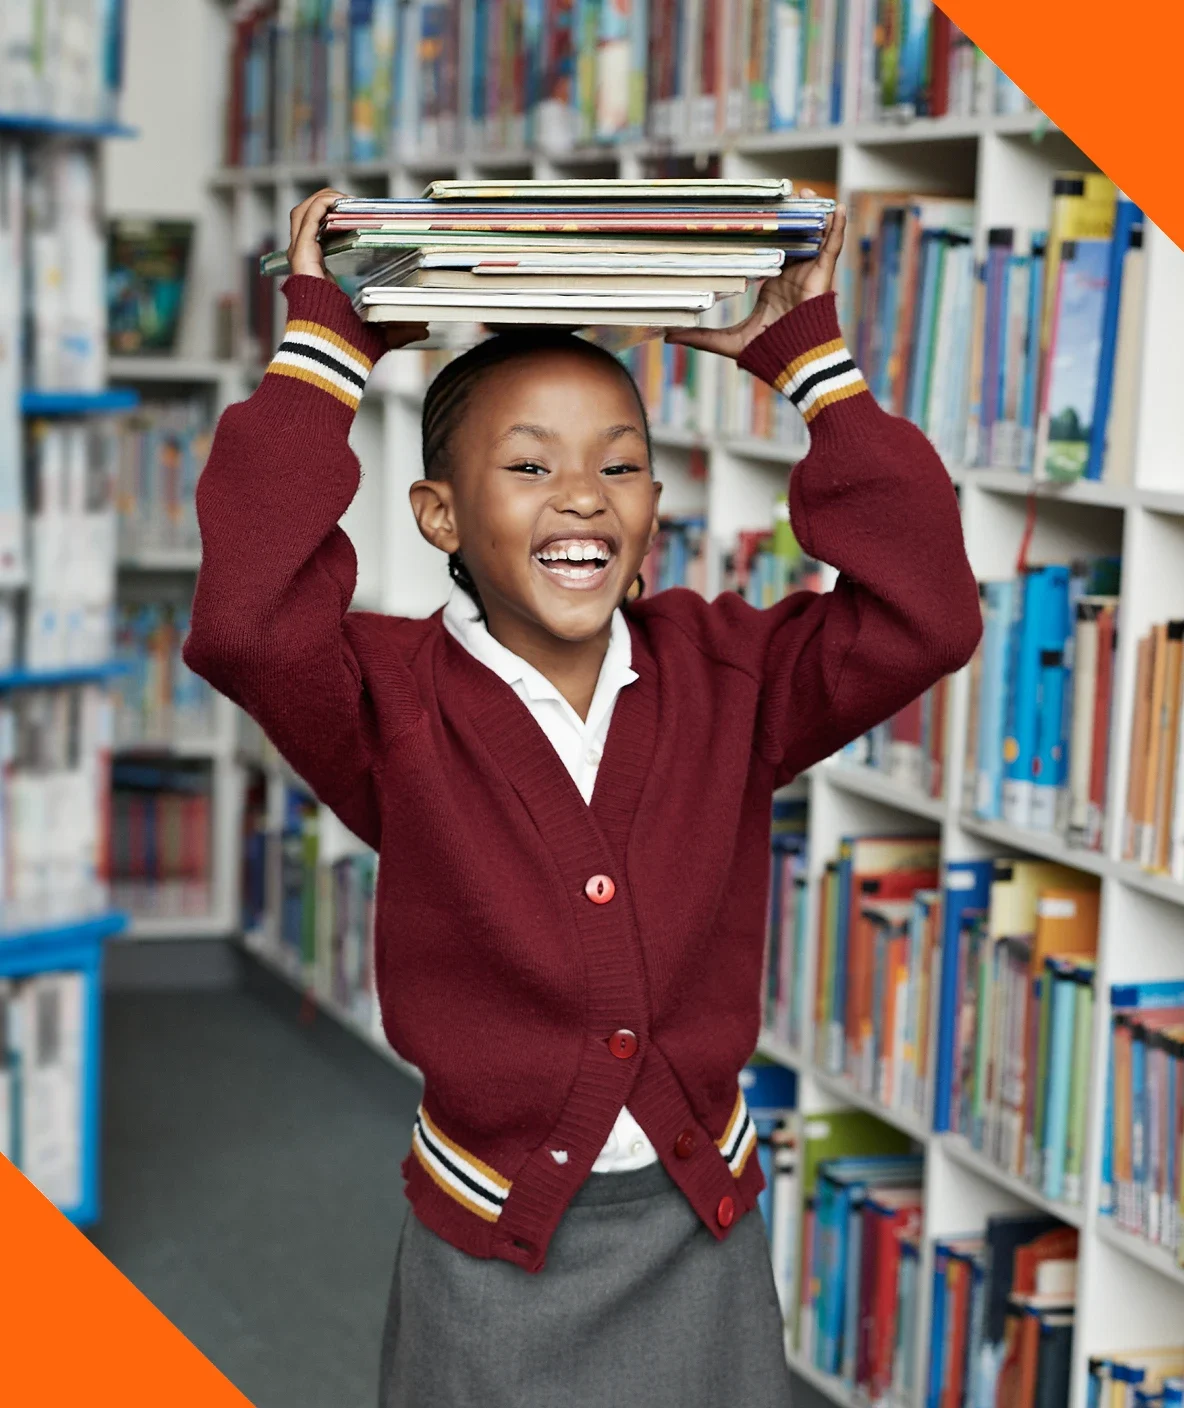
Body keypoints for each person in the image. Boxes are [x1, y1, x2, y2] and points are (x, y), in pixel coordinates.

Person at [183, 188, 981, 1408]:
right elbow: (244, 617)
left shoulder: (732, 675)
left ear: (655, 508)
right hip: (492, 1244)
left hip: (698, 1234)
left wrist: (811, 366)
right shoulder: (386, 702)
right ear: (438, 513)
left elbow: (926, 608)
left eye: (620, 464)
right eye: (526, 465)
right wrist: (322, 361)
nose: (580, 494)